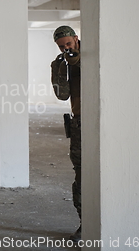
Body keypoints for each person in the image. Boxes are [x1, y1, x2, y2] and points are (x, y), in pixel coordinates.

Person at [50, 26, 81, 242]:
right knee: (81, 172)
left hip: (106, 121)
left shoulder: (95, 54)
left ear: (76, 39)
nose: (66, 48)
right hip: (80, 122)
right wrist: (61, 69)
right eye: (62, 47)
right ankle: (85, 222)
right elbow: (62, 96)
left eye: (69, 44)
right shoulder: (61, 64)